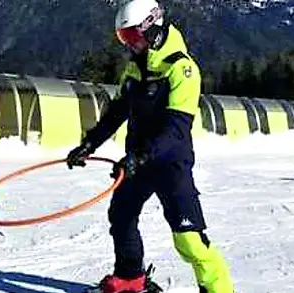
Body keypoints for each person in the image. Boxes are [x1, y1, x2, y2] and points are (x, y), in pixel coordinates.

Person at [66, 0, 235, 292]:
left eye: (132, 37)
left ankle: (220, 288)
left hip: (170, 163)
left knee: (189, 239)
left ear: (152, 27)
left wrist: (141, 156)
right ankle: (131, 277)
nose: (129, 45)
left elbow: (177, 129)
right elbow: (117, 112)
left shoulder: (182, 69)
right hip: (138, 160)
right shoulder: (134, 69)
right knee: (121, 216)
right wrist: (89, 144)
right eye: (124, 39)